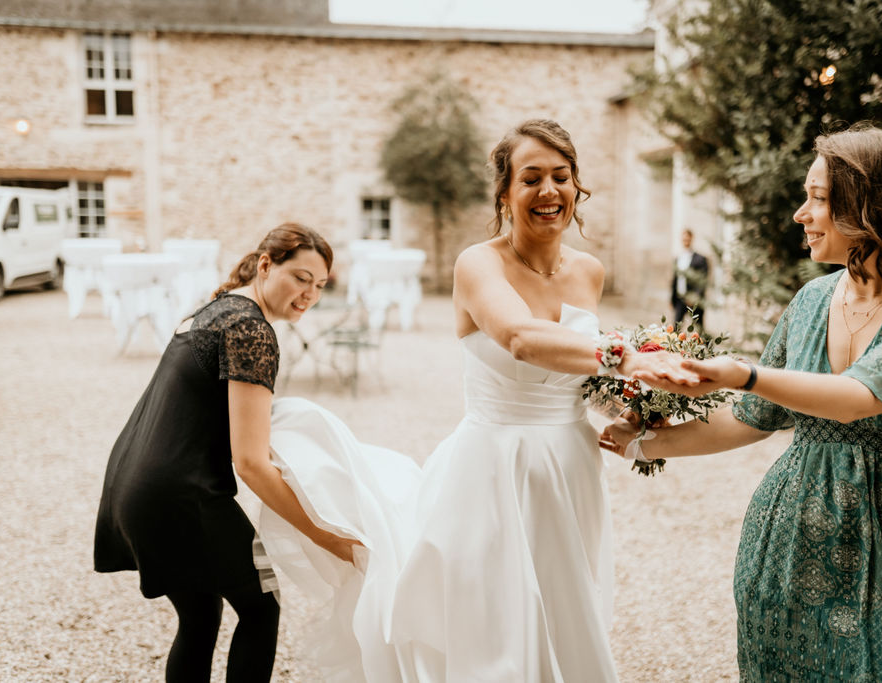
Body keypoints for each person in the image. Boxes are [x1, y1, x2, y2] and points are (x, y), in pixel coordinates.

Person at [257, 119, 700, 681]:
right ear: (506, 192)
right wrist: (624, 357)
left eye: (561, 177)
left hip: (570, 466)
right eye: (531, 178)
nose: (548, 191)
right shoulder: (478, 264)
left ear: (577, 187)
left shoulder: (589, 271)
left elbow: (576, 372)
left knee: (565, 613)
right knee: (494, 630)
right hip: (493, 469)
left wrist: (633, 407)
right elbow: (519, 339)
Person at [602, 125, 882, 681]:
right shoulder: (811, 300)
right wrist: (642, 440)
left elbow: (856, 398)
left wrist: (745, 373)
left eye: (818, 199)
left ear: (870, 207)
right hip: (792, 541)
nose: (799, 214)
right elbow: (749, 417)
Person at [93, 223, 362, 683]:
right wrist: (326, 535)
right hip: (182, 496)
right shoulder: (251, 330)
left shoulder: (217, 310)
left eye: (319, 286)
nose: (309, 295)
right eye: (300, 278)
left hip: (134, 485)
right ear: (264, 265)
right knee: (262, 608)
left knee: (200, 614)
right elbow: (251, 463)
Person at [670, 228, 708, 329]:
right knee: (676, 330)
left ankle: (707, 345)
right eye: (684, 239)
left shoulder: (700, 259)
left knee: (699, 330)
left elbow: (703, 281)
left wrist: (695, 297)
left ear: (691, 239)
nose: (686, 241)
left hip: (694, 300)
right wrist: (672, 298)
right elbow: (675, 280)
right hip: (680, 299)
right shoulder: (678, 258)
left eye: (687, 239)